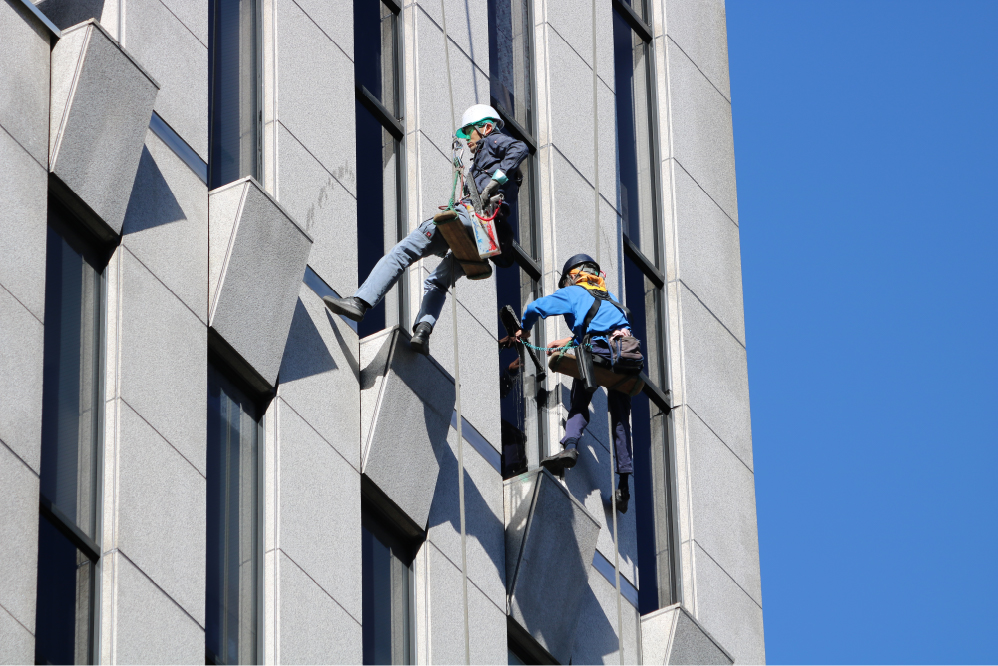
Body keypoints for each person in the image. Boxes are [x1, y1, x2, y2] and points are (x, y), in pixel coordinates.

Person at [323, 104, 529, 355]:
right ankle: (423, 331)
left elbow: (520, 147)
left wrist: (496, 179)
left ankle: (360, 302)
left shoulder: (494, 140)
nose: (468, 141)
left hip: (471, 217)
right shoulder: (494, 165)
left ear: (485, 127)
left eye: (469, 134)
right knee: (437, 282)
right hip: (483, 237)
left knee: (403, 252)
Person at [516, 254, 637, 513]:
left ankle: (570, 446)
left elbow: (534, 308)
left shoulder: (575, 293)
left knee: (580, 400)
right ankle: (624, 485)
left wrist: (525, 330)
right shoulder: (611, 299)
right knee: (620, 422)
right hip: (626, 360)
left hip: (597, 355)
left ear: (573, 276)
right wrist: (569, 341)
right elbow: (602, 327)